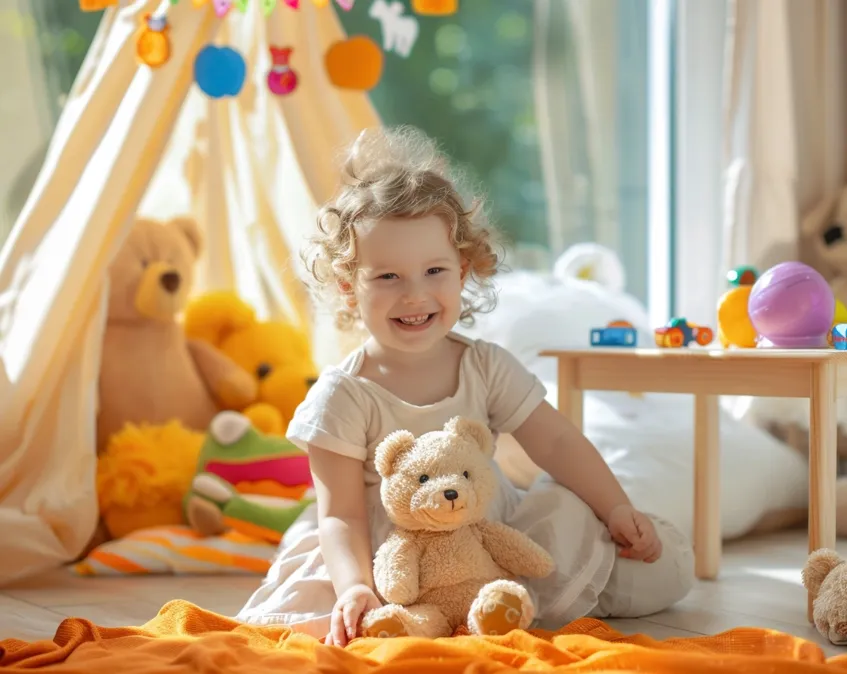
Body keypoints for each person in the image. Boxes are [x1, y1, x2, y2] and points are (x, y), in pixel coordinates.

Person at [235, 125, 694, 645]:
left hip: (483, 539)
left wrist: (615, 508)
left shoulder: (485, 366)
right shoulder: (344, 395)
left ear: (464, 271)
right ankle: (411, 612)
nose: (415, 295)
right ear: (348, 285)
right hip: (389, 556)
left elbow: (559, 442)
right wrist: (355, 586)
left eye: (434, 270)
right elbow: (339, 513)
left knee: (624, 544)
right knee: (322, 607)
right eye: (387, 277)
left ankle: (497, 604)